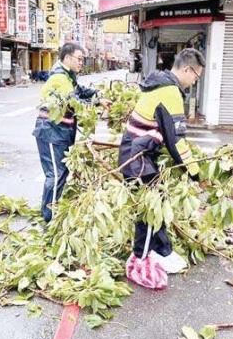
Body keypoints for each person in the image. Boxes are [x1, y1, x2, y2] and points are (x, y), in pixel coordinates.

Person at [119, 48, 205, 279]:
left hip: (138, 153)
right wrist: (195, 172)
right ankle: (141, 259)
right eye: (196, 77)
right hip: (138, 158)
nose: (194, 83)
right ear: (187, 69)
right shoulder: (170, 92)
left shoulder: (160, 85)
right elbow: (176, 140)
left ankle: (162, 250)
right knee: (149, 211)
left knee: (158, 201)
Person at [32, 42, 109, 222]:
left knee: (62, 173)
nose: (82, 63)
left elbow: (80, 92)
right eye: (79, 59)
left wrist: (98, 96)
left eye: (83, 59)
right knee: (56, 174)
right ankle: (49, 217)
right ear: (67, 58)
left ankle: (51, 210)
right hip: (51, 132)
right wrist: (96, 104)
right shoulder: (59, 78)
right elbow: (74, 102)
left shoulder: (68, 77)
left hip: (61, 133)